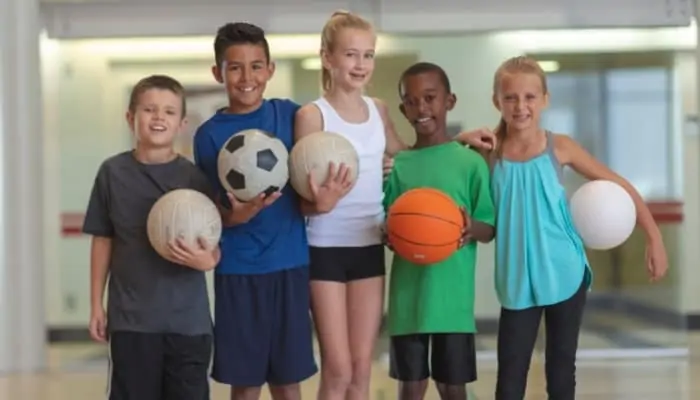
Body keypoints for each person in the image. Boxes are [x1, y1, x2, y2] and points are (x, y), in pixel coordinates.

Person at [294, 11, 497, 400]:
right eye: (351, 54)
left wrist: (458, 141)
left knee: (361, 371)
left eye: (368, 55)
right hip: (325, 249)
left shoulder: (379, 110)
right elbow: (298, 201)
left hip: (370, 247)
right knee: (336, 370)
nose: (360, 64)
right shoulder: (311, 115)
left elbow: (411, 156)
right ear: (327, 57)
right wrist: (320, 203)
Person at [486, 55, 669, 400]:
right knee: (510, 379)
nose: (520, 106)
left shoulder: (561, 147)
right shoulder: (488, 152)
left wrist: (654, 236)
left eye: (529, 97)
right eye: (510, 97)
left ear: (544, 100)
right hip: (516, 278)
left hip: (564, 272)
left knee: (560, 371)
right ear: (497, 101)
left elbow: (620, 185)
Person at [192, 22, 323, 400]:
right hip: (238, 271)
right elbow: (211, 213)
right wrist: (236, 217)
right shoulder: (209, 136)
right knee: (245, 382)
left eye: (255, 65)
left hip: (290, 265)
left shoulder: (290, 116)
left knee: (287, 381)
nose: (246, 77)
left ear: (270, 69)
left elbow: (325, 157)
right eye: (235, 67)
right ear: (218, 73)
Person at [83, 74, 220, 400]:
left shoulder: (194, 177)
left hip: (189, 324)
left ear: (182, 123)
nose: (159, 117)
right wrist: (95, 305)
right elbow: (103, 240)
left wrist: (207, 260)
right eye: (149, 109)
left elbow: (216, 245)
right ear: (131, 118)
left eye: (169, 112)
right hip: (132, 322)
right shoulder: (112, 173)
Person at [382, 62, 496, 400]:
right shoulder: (399, 166)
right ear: (403, 108)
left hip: (453, 304)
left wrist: (467, 227)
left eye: (430, 98)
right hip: (407, 303)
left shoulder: (471, 162)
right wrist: (391, 234)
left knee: (452, 387)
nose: (422, 108)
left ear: (450, 101)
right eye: (412, 101)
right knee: (411, 387)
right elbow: (389, 228)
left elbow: (488, 228)